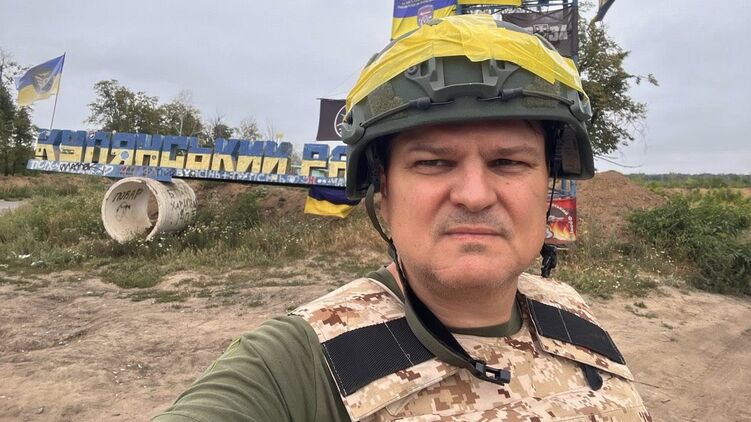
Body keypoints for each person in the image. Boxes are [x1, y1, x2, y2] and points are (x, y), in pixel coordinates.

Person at [153, 15, 651, 421]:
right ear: (384, 191)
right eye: (433, 163)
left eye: (508, 162)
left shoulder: (574, 314)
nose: (474, 195)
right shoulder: (296, 366)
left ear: (548, 186)